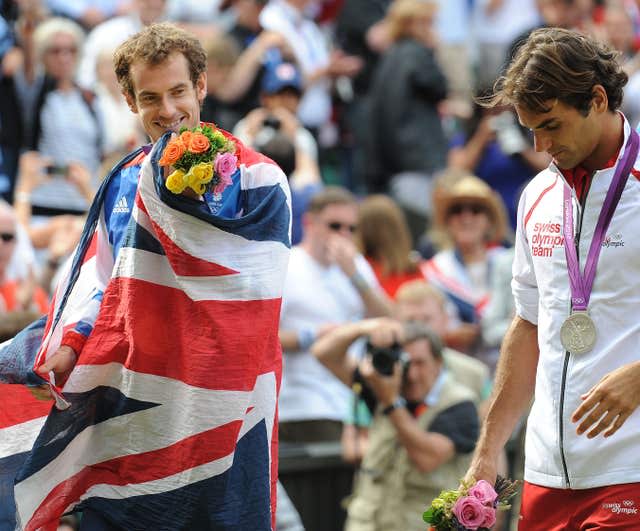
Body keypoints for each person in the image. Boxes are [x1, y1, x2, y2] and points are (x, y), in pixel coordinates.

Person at [0, 22, 291, 531]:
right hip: (139, 395)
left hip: (227, 397)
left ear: (201, 87)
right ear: (130, 102)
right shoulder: (120, 181)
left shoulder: (259, 177)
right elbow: (102, 279)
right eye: (150, 97)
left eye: (178, 91)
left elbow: (256, 285)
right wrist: (69, 345)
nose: (168, 110)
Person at [466, 27, 640, 530]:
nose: (541, 146)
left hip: (630, 468)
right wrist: (488, 450)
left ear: (598, 99)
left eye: (551, 125)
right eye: (529, 131)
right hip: (545, 474)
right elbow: (527, 326)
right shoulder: (536, 196)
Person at [311, 318, 479, 531]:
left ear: (439, 363)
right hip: (367, 523)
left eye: (420, 363)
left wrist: (391, 403)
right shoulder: (384, 386)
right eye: (406, 363)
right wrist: (366, 327)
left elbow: (426, 458)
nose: (412, 375)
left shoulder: (460, 404)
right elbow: (324, 353)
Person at [278, 186, 392, 444]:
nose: (343, 235)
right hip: (303, 403)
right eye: (335, 226)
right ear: (310, 223)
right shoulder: (287, 264)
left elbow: (389, 320)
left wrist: (354, 276)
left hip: (354, 402)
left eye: (351, 229)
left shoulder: (357, 265)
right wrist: (311, 336)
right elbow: (263, 336)